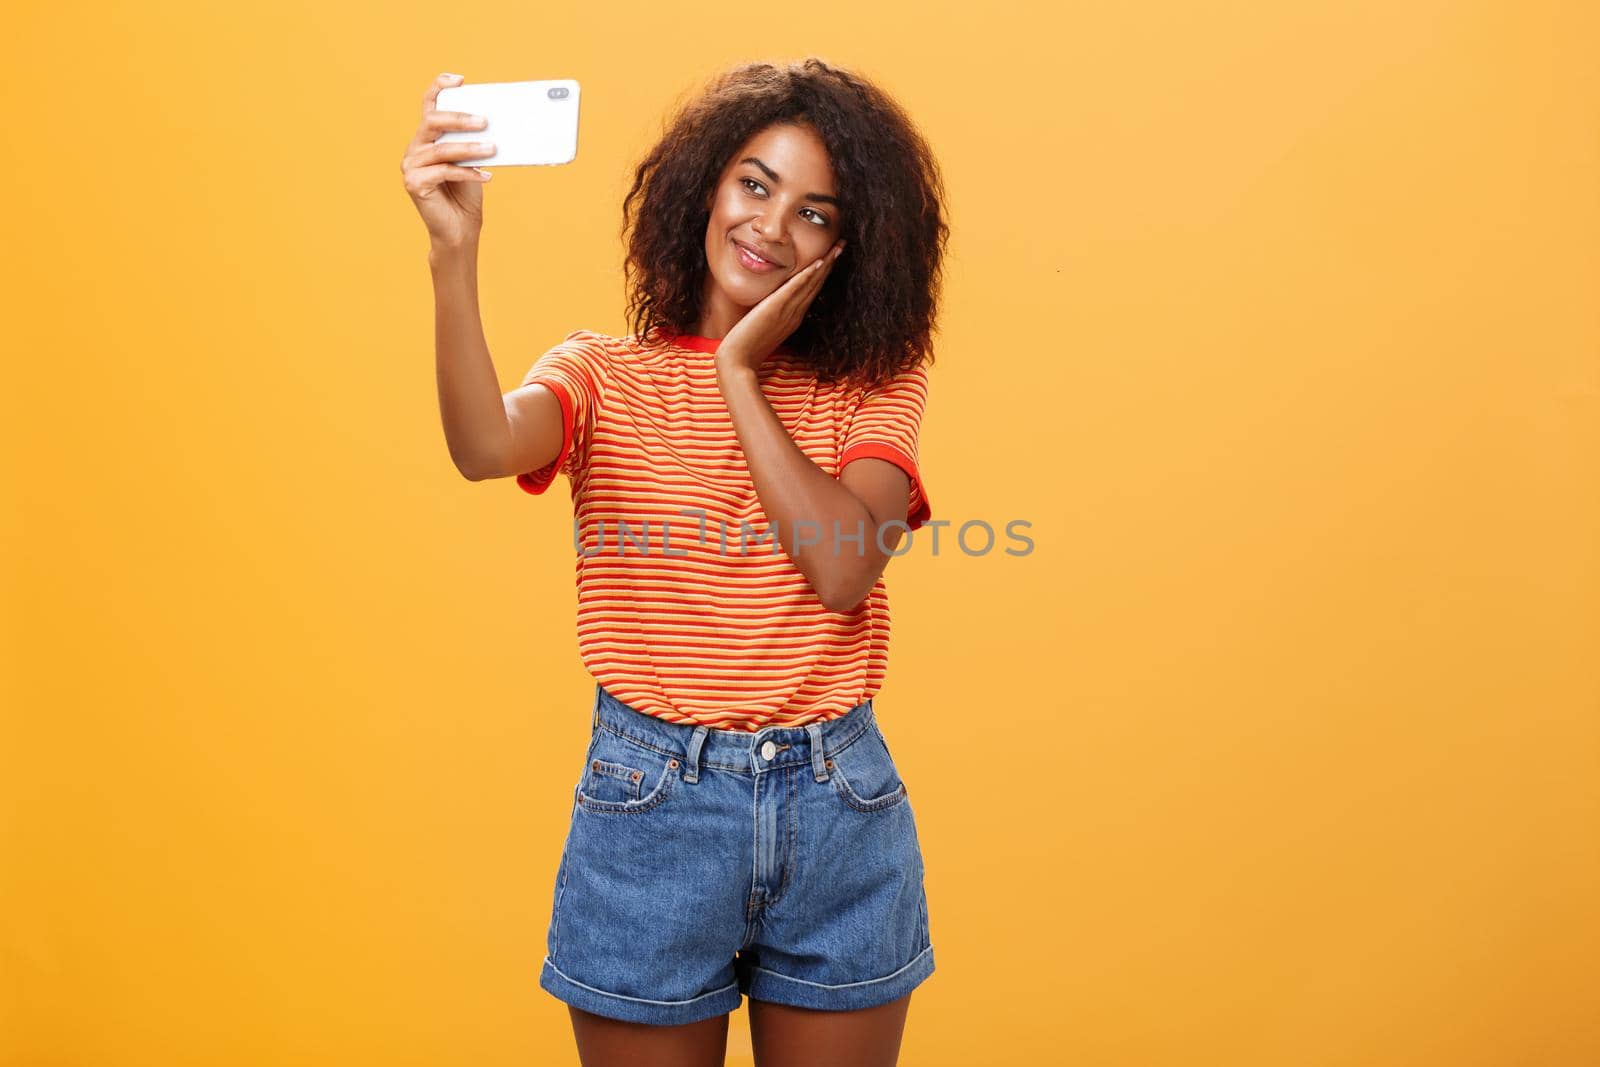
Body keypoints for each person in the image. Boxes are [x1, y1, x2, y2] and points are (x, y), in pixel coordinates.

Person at [401, 58, 948, 1067]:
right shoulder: (600, 374)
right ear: (702, 185)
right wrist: (453, 255)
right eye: (753, 182)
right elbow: (483, 444)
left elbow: (839, 568)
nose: (771, 225)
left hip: (836, 807)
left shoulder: (874, 384)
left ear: (849, 247)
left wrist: (738, 369)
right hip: (649, 806)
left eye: (815, 213)